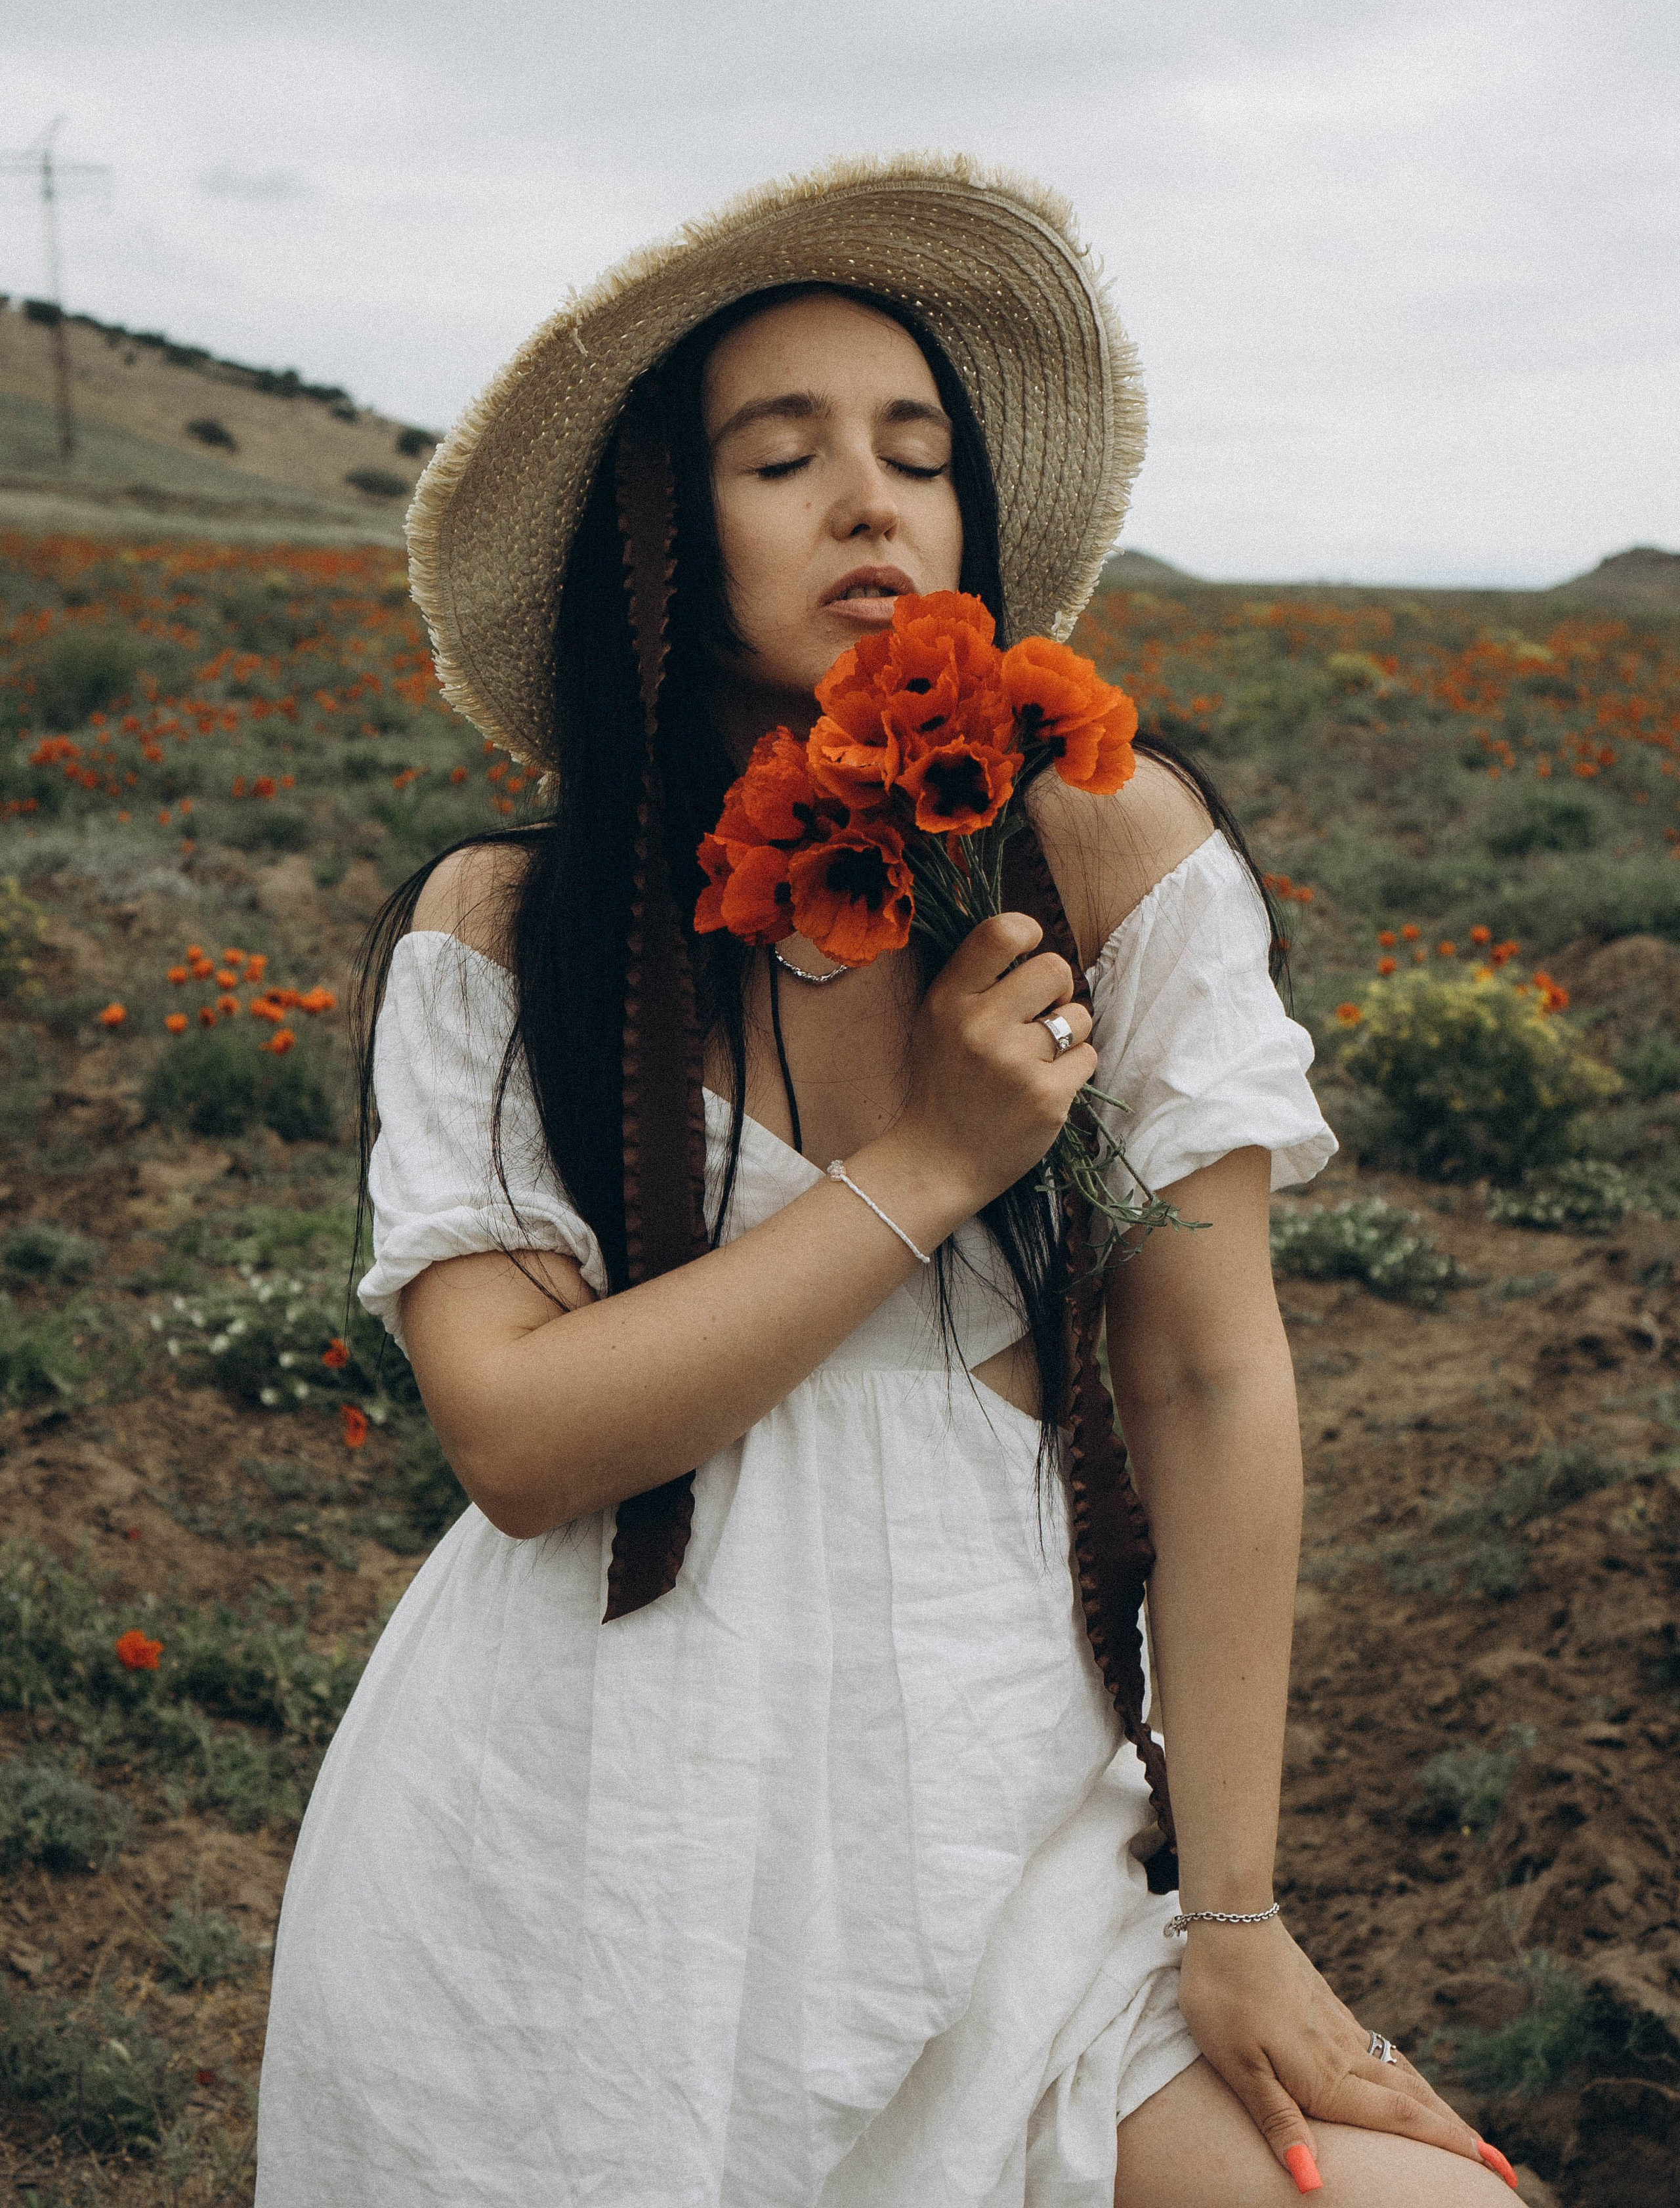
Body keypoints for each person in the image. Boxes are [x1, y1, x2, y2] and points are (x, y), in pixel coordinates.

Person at [255, 159, 1515, 2206]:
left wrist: (1238, 1910)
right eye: (787, 455)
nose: (875, 501)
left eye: (919, 455)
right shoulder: (508, 927)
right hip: (580, 1834)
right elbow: (516, 1438)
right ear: (658, 540)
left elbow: (1207, 1382)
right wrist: (933, 1162)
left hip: (994, 1795)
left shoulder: (1101, 846)